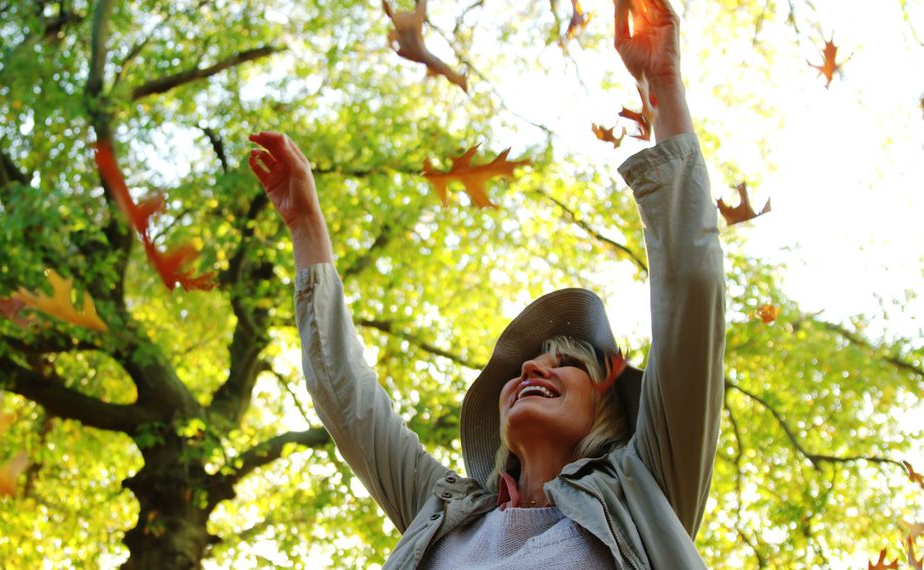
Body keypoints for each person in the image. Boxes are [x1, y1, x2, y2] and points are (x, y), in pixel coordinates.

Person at [247, 0, 724, 567]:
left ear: (611, 410)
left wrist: (662, 86)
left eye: (567, 363)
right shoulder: (439, 513)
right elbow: (345, 398)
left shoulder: (645, 492)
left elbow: (691, 289)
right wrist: (305, 227)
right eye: (532, 364)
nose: (532, 367)